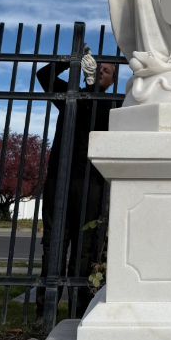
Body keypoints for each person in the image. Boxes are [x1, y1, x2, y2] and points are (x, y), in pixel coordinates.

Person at [35, 47, 118, 322]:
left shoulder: (112, 105)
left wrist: (93, 85)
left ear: (111, 81)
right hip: (59, 179)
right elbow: (44, 76)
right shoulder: (72, 98)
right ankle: (44, 311)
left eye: (106, 72)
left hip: (91, 183)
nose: (100, 73)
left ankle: (79, 312)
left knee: (85, 248)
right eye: (98, 69)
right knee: (53, 245)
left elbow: (96, 114)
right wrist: (70, 60)